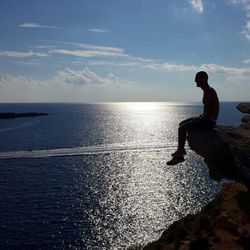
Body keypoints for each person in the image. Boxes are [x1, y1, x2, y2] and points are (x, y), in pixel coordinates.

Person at [167, 71, 219, 165]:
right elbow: (206, 111)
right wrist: (199, 117)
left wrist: (200, 119)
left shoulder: (209, 92)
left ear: (204, 79)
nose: (195, 80)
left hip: (209, 121)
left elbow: (209, 113)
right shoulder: (206, 91)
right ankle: (180, 151)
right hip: (207, 119)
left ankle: (180, 155)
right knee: (181, 123)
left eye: (197, 78)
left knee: (182, 128)